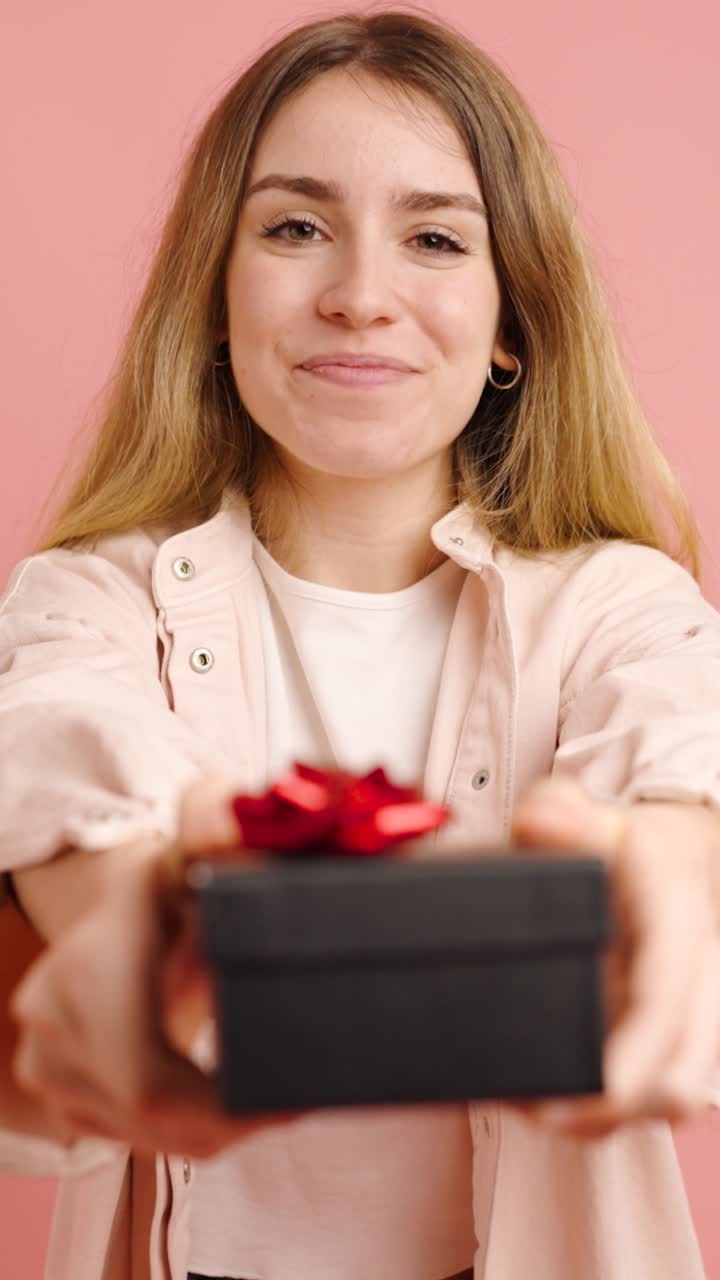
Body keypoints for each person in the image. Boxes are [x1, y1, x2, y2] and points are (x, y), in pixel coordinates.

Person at [1, 7, 719, 1279]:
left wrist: (671, 866)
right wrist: (129, 913)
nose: (359, 296)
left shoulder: (619, 603)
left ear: (514, 323)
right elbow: (54, 744)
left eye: (436, 238)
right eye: (294, 227)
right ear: (215, 299)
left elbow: (687, 741)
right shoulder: (84, 597)